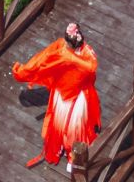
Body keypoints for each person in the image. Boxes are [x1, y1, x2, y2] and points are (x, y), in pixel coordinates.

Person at [12, 21, 99, 171]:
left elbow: (90, 69)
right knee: (60, 124)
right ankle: (64, 149)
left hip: (78, 97)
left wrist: (70, 58)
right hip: (63, 95)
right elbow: (41, 60)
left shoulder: (84, 53)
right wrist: (23, 72)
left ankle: (74, 158)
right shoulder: (62, 48)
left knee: (75, 127)